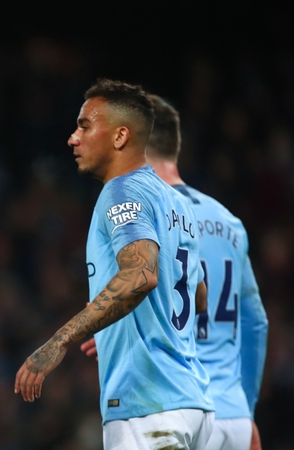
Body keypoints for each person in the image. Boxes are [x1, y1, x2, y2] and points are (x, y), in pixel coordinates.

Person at [14, 78, 214, 449]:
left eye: (85, 126)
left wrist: (60, 341)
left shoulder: (121, 191)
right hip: (195, 405)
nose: (73, 138)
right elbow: (198, 296)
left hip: (148, 406)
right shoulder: (178, 204)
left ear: (120, 136)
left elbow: (140, 276)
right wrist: (115, 329)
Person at [134, 94, 267, 450]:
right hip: (234, 418)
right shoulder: (229, 222)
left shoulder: (148, 216)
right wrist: (246, 411)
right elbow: (256, 324)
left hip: (183, 414)